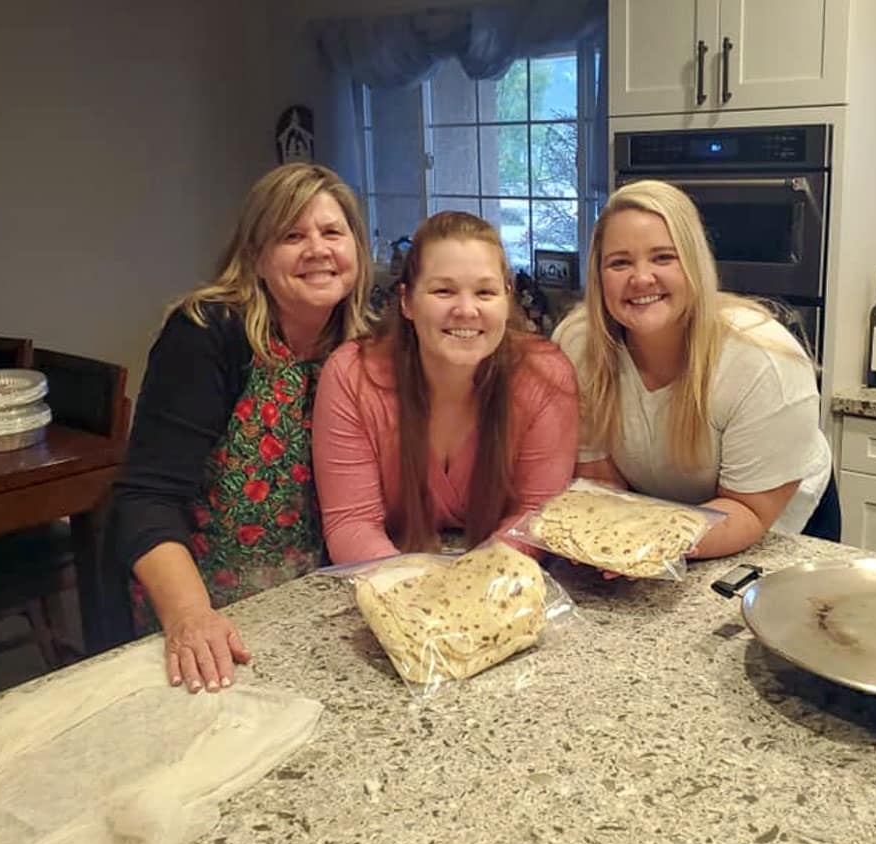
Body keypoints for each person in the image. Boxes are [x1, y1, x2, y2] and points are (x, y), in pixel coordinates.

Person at [110, 163, 374, 692]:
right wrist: (190, 615)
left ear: (357, 250)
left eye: (331, 232)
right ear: (255, 255)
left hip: (313, 610)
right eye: (292, 236)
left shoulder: (365, 345)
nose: (317, 249)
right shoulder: (207, 334)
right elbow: (146, 497)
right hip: (207, 620)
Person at [552, 179, 834, 560]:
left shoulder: (762, 362)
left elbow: (749, 511)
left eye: (663, 257)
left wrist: (647, 548)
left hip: (771, 520)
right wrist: (621, 541)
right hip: (659, 523)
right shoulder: (578, 345)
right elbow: (599, 480)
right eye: (619, 262)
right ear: (598, 275)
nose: (641, 278)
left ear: (694, 264)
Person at [312, 211, 578, 563]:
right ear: (407, 301)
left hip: (503, 574)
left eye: (485, 292)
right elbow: (352, 523)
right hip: (387, 573)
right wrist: (411, 588)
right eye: (443, 290)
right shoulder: (351, 377)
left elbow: (537, 513)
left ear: (507, 298)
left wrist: (474, 580)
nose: (466, 310)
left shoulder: (546, 375)